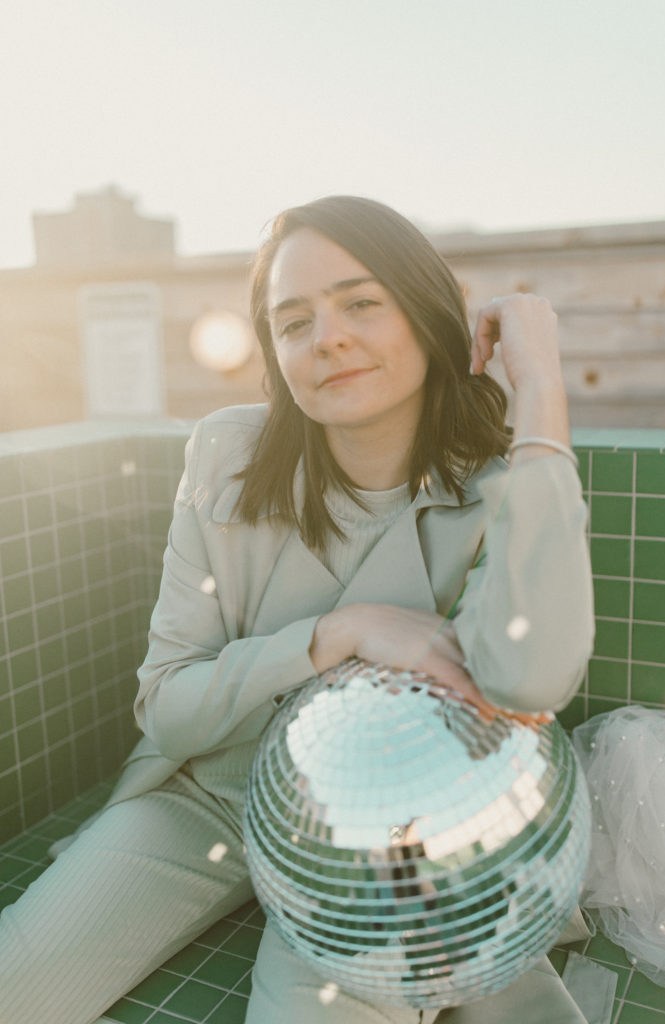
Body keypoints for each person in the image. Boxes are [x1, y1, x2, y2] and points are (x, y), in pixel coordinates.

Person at [0, 195, 594, 1024]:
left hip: (388, 837)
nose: (328, 338)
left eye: (360, 302)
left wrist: (537, 383)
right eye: (293, 321)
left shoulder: (497, 487)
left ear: (427, 316)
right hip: (210, 794)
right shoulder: (226, 455)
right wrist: (330, 636)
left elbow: (536, 675)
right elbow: (166, 703)